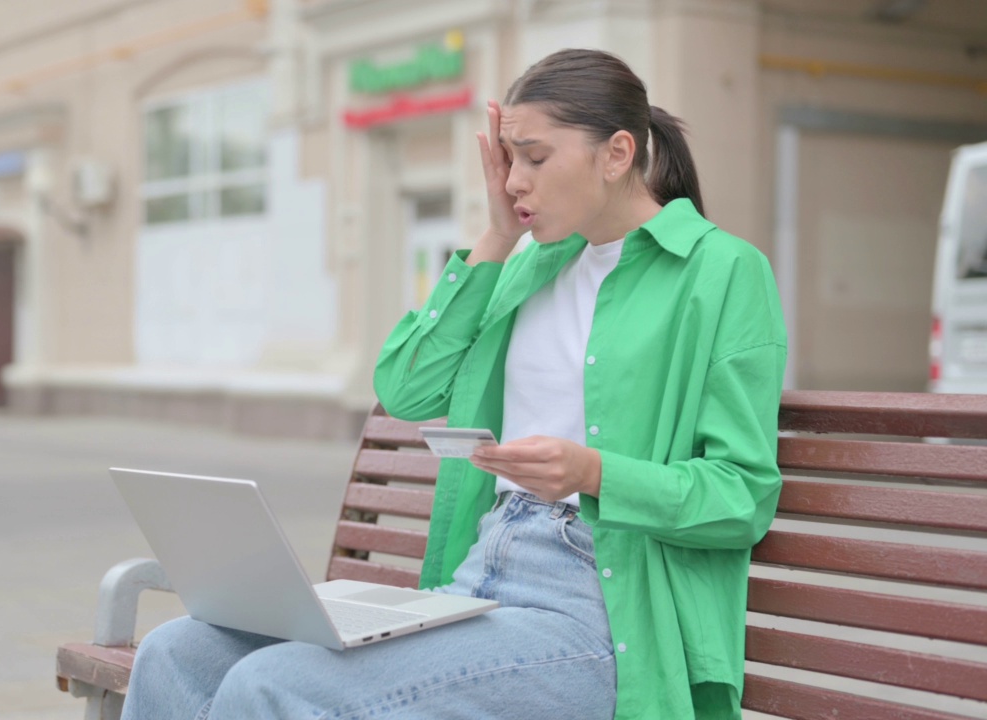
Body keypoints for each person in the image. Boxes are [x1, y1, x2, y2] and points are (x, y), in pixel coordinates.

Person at [121, 48, 786, 720]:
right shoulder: (533, 266)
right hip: (480, 577)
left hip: (600, 613)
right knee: (177, 651)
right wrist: (497, 239)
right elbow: (407, 389)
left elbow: (742, 497)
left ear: (615, 155)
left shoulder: (720, 271)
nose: (514, 181)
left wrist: (594, 473)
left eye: (534, 157)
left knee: (273, 684)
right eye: (507, 160)